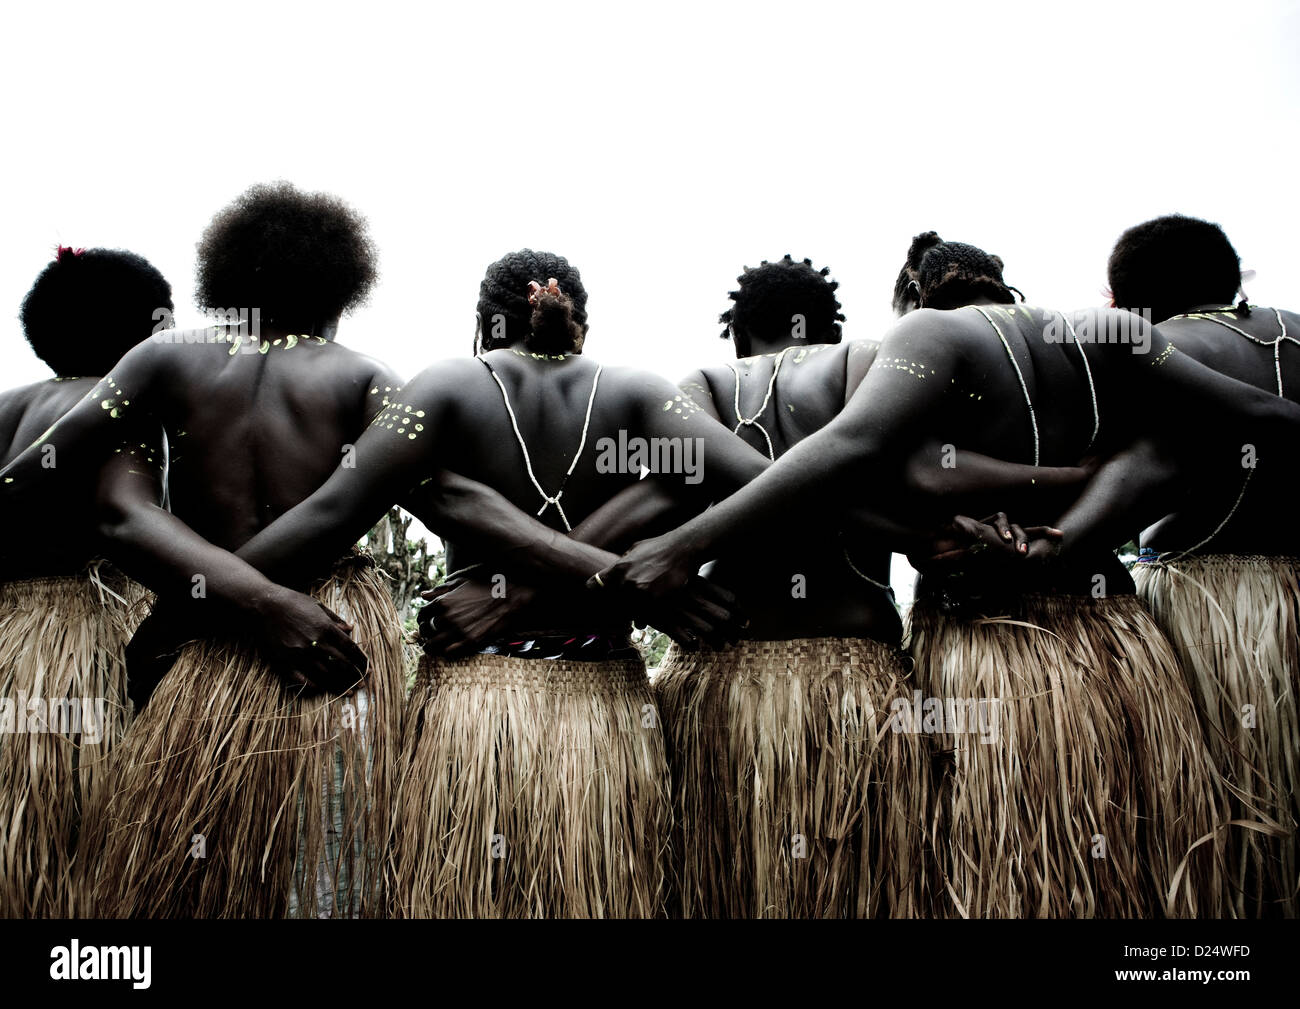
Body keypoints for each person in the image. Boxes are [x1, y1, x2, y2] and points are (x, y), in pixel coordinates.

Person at [595, 235, 1300, 917]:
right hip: (1112, 647)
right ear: (1005, 278)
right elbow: (1195, 439)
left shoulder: (904, 342)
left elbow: (895, 463)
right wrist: (1066, 515)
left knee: (998, 872)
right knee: (1131, 869)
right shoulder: (1108, 329)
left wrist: (678, 552)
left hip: (974, 654)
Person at [222, 249, 767, 917]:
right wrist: (676, 552)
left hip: (474, 712)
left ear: (486, 322)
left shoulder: (447, 386)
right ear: (581, 324)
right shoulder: (639, 394)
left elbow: (334, 509)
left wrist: (199, 603)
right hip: (603, 712)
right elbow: (764, 480)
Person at [0, 183, 408, 917]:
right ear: (343, 284)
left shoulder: (163, 360)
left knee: (167, 859)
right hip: (328, 627)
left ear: (224, 281)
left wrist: (183, 613)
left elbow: (56, 485)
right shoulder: (367, 376)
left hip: (176, 633)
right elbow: (431, 493)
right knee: (323, 856)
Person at [663, 256, 927, 917]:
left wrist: (663, 591)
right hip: (852, 691)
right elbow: (907, 481)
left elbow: (663, 494)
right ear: (829, 326)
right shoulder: (860, 364)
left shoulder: (702, 383)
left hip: (719, 685)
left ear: (739, 335)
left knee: (725, 893)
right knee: (856, 891)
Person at [1108, 214, 1300, 916]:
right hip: (1291, 607)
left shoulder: (1160, 348)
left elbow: (1132, 481)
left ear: (1131, 302)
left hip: (1207, 616)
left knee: (1217, 832)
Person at [0, 246, 168, 917]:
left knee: (21, 841)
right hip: (85, 643)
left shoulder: (8, 406)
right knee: (91, 853)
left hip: (13, 643)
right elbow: (129, 521)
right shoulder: (124, 408)